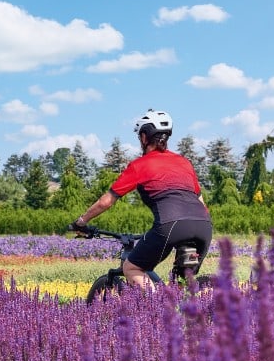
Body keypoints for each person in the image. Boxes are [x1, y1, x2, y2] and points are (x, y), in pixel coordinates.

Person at [69, 109, 212, 289]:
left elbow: (106, 201)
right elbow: (201, 202)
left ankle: (154, 309)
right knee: (181, 283)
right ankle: (184, 313)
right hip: (204, 226)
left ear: (144, 137)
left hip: (171, 225)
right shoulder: (184, 162)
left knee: (131, 267)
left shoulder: (139, 165)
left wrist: (81, 222)